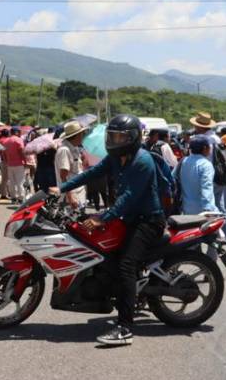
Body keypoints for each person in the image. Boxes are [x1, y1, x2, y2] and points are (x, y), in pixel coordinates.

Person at [59, 114, 164, 346]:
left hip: (148, 221)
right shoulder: (117, 158)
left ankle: (125, 327)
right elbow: (91, 173)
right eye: (112, 136)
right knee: (104, 253)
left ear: (133, 138)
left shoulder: (142, 161)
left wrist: (102, 218)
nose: (115, 141)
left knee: (127, 265)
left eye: (120, 137)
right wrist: (61, 188)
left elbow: (128, 197)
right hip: (129, 218)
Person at [178, 136, 226, 258]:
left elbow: (174, 178)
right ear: (205, 149)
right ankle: (210, 269)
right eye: (209, 147)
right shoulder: (205, 164)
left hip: (187, 210)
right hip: (203, 211)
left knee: (193, 242)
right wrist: (210, 211)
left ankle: (196, 263)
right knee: (214, 242)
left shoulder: (184, 161)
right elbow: (206, 188)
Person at [54, 121, 88, 208]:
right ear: (77, 135)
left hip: (79, 193)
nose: (83, 136)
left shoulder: (75, 148)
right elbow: (63, 176)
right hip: (72, 196)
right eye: (82, 134)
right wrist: (70, 197)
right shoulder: (64, 150)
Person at [2, 127, 26, 203]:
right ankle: (21, 198)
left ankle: (13, 197)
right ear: (16, 132)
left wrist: (7, 161)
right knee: (20, 182)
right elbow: (21, 151)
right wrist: (24, 160)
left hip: (10, 164)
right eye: (19, 132)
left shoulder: (6, 141)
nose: (20, 133)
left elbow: (4, 154)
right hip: (19, 164)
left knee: (11, 181)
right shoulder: (18, 140)